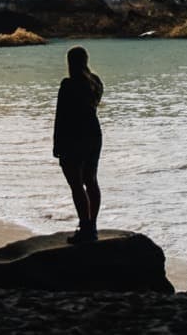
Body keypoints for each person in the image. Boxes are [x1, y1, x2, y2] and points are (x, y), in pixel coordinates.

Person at [52, 45, 104, 243]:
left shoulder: (68, 84)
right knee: (91, 180)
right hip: (94, 133)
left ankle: (85, 228)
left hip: (73, 135)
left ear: (69, 62)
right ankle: (92, 226)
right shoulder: (95, 82)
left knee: (76, 184)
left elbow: (62, 116)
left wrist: (57, 145)